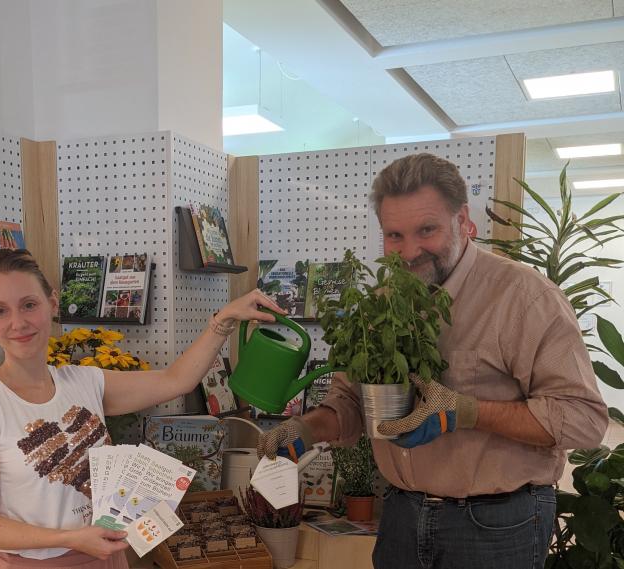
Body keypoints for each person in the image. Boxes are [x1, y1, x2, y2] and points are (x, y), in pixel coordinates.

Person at [257, 153, 608, 569]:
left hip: (494, 525)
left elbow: (584, 420)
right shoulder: (380, 306)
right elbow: (351, 404)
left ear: (462, 219)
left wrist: (466, 412)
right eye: (394, 235)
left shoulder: (524, 297)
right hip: (401, 517)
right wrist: (304, 428)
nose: (409, 252)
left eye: (427, 230)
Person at [0, 248, 284, 569]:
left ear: (51, 303)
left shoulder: (84, 382)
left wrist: (223, 321)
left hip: (104, 559)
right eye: (0, 310)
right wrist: (70, 539)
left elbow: (175, 380)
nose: (17, 323)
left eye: (29, 304)